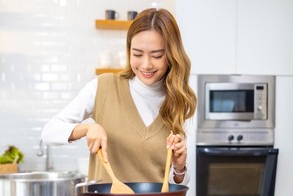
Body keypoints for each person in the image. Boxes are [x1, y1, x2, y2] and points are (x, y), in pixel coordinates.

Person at [41, 8, 196, 185]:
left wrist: (179, 167)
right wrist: (87, 129)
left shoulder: (178, 99)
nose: (146, 64)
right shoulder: (103, 87)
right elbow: (49, 132)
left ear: (171, 54)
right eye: (137, 54)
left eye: (157, 56)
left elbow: (177, 183)